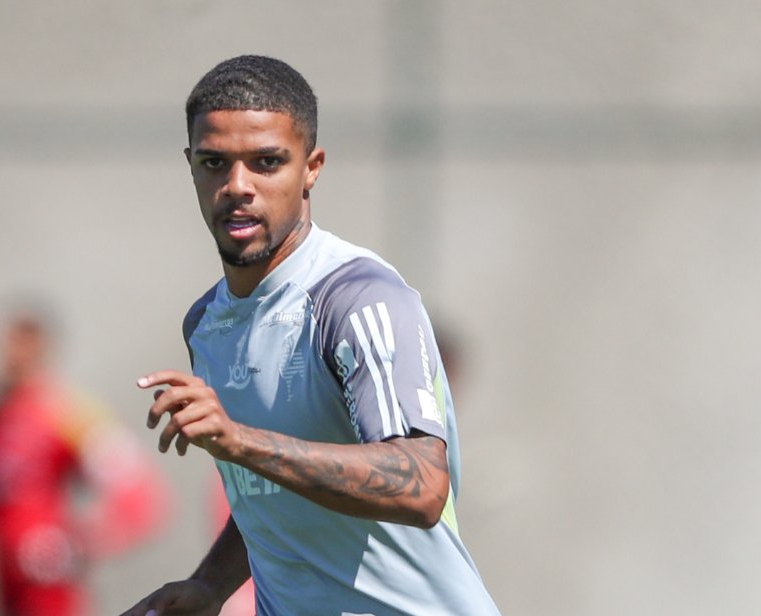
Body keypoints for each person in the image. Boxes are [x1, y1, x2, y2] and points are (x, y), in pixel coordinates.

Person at [122, 55, 499, 615]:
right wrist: (210, 584)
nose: (237, 186)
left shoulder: (357, 298)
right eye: (214, 163)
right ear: (191, 166)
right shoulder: (205, 323)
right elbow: (276, 498)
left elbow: (420, 483)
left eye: (267, 162)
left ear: (312, 167)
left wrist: (239, 441)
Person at [0, 309, 172, 616]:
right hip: (1, 582)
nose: (9, 355)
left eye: (20, 345)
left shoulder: (68, 412)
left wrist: (83, 542)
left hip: (49, 587)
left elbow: (139, 494)